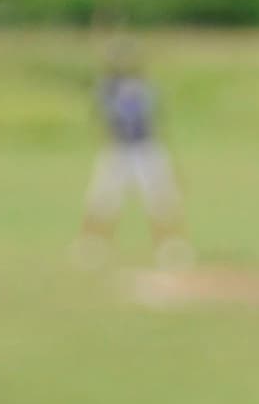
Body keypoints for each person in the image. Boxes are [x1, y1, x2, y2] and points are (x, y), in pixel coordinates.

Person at [78, 47, 188, 268]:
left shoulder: (147, 89)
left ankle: (170, 246)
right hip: (118, 149)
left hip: (146, 148)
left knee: (161, 199)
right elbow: (102, 121)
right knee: (103, 198)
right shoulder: (107, 89)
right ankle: (93, 244)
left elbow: (157, 123)